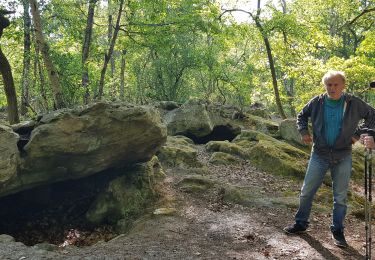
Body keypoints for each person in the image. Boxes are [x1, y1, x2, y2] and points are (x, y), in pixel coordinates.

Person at [283, 70, 375, 248]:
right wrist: (303, 132)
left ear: (343, 85)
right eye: (329, 85)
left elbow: (373, 116)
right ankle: (301, 223)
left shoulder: (353, 103)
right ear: (325, 86)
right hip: (319, 154)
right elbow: (301, 116)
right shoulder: (317, 102)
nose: (332, 88)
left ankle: (338, 230)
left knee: (340, 196)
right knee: (307, 191)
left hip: (343, 155)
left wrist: (357, 134)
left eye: (335, 85)